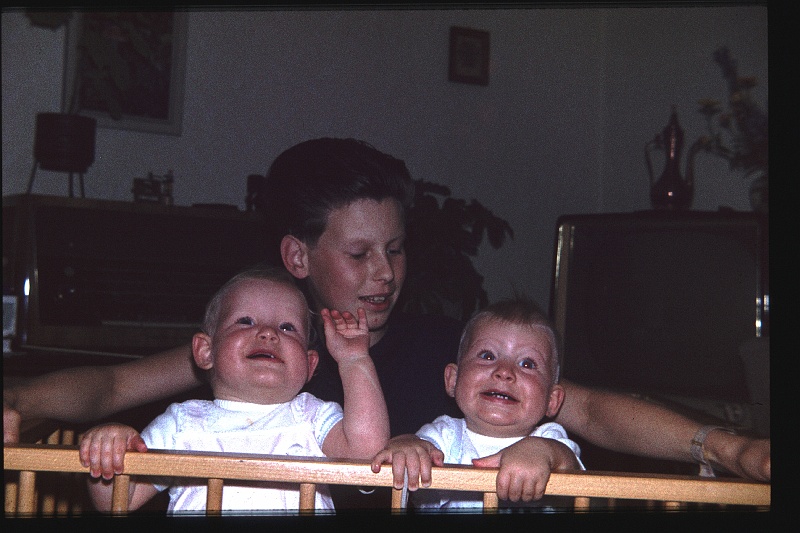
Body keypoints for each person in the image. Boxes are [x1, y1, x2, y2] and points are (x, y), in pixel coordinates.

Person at [4, 138, 770, 509]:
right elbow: (111, 381)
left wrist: (721, 442)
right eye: (361, 251)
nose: (385, 274)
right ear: (297, 254)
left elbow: (587, 406)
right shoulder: (259, 348)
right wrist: (25, 405)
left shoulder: (449, 347)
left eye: (397, 249)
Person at [77, 266, 389, 513]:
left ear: (309, 365)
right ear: (205, 352)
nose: (267, 333)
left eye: (287, 327)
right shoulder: (182, 425)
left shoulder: (311, 416)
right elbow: (116, 502)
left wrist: (354, 360)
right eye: (245, 321)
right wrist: (110, 452)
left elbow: (367, 453)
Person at [371, 296, 583, 510]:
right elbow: (417, 451)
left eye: (527, 363)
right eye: (487, 356)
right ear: (453, 380)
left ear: (552, 400)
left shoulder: (549, 439)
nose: (504, 372)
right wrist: (407, 445)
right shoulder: (445, 436)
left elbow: (575, 476)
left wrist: (545, 453)